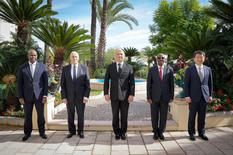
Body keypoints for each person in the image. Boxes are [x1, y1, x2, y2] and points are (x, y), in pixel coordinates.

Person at [17, 49, 48, 141]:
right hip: (26, 97)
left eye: (34, 55)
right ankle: (27, 134)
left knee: (41, 115)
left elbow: (45, 83)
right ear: (28, 56)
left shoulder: (42, 66)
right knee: (27, 116)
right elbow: (19, 84)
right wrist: (20, 96)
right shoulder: (22, 67)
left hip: (39, 96)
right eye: (31, 55)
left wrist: (45, 95)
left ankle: (42, 132)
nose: (33, 57)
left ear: (37, 56)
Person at [104, 49, 135, 140]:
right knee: (115, 115)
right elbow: (106, 81)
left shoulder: (129, 67)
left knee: (124, 115)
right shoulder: (110, 67)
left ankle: (123, 132)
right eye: (118, 54)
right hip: (114, 96)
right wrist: (106, 93)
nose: (119, 56)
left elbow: (132, 83)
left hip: (125, 96)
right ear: (115, 56)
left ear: (123, 56)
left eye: (121, 54)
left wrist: (131, 94)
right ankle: (116, 132)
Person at [184, 50, 213, 141]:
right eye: (198, 57)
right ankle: (191, 133)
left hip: (204, 96)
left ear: (204, 58)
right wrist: (187, 96)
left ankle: (202, 133)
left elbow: (210, 83)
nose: (200, 59)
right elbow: (186, 84)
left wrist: (210, 95)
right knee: (192, 116)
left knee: (202, 116)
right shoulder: (189, 69)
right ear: (194, 59)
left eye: (201, 57)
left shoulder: (208, 69)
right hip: (192, 97)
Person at [61, 51, 90, 139]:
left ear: (78, 58)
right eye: (73, 57)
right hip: (69, 97)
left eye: (76, 57)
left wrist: (86, 96)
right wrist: (64, 97)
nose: (74, 58)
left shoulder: (84, 68)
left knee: (80, 115)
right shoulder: (65, 69)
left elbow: (87, 84)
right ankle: (71, 131)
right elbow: (63, 85)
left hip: (81, 97)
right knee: (70, 115)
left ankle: (80, 131)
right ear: (70, 58)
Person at [147, 53, 174, 141]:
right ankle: (155, 132)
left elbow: (171, 84)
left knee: (163, 116)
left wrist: (172, 96)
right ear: (156, 59)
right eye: (159, 58)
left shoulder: (169, 69)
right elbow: (149, 84)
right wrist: (148, 97)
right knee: (154, 116)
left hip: (165, 97)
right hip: (154, 97)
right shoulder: (151, 70)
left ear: (165, 59)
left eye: (162, 58)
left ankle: (161, 132)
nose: (161, 59)